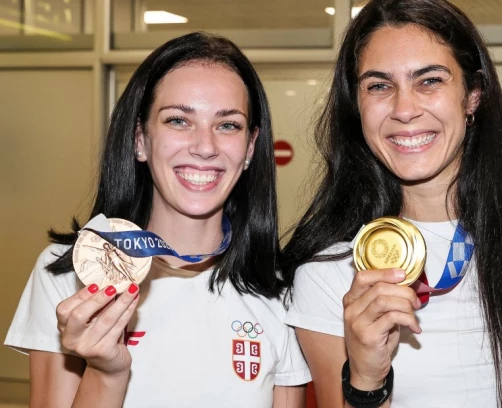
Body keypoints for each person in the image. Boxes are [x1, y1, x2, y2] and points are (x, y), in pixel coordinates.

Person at [281, 1, 502, 407]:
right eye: (379, 86)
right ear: (357, 105)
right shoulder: (329, 272)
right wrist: (366, 377)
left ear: (472, 96)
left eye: (430, 80)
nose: (404, 110)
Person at [5, 32, 310, 408]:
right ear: (140, 139)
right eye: (178, 120)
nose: (205, 146)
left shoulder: (280, 290)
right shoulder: (70, 273)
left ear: (250, 148)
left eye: (228, 125)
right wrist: (106, 371)